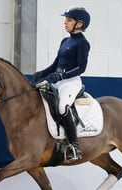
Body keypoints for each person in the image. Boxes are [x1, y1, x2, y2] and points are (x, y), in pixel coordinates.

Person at [32, 6, 91, 163]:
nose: (65, 23)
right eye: (66, 20)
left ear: (79, 24)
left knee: (62, 107)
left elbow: (82, 68)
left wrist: (62, 75)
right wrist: (40, 74)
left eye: (69, 20)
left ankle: (74, 146)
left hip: (70, 82)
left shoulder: (82, 44)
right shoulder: (65, 41)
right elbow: (54, 65)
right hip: (57, 80)